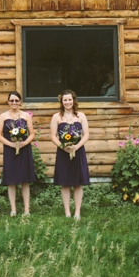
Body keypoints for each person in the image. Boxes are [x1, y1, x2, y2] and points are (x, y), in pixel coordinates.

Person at [50, 90, 91, 219]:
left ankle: (77, 211)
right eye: (65, 100)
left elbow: (86, 134)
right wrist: (63, 147)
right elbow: (53, 136)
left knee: (78, 183)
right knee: (65, 182)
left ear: (74, 100)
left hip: (78, 152)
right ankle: (67, 212)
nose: (68, 102)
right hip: (63, 153)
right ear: (61, 102)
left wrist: (77, 146)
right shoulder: (56, 117)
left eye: (70, 99)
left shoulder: (81, 116)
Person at [0, 91, 36, 216]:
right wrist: (10, 144)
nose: (14, 103)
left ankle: (26, 209)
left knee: (24, 180)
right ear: (8, 102)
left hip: (24, 149)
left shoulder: (25, 116)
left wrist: (25, 143)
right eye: (11, 100)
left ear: (20, 102)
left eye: (16, 100)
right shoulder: (3, 116)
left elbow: (32, 133)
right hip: (9, 149)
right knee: (11, 180)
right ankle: (13, 209)